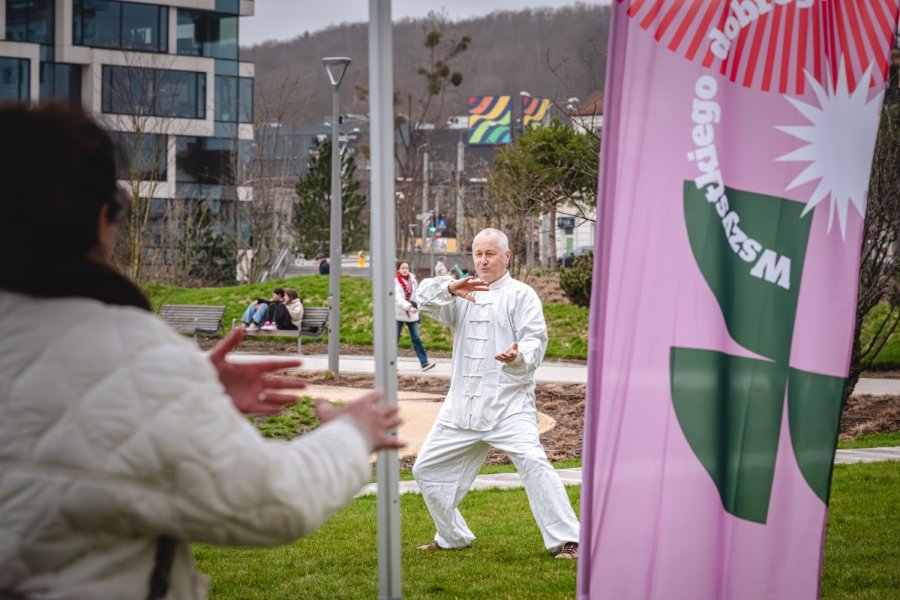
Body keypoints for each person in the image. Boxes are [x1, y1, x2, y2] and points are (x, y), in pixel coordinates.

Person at [0, 103, 405, 599]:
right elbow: (270, 502)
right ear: (103, 217)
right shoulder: (131, 356)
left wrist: (185, 386)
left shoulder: (136, 364)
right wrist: (351, 434)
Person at [413, 228, 580, 559]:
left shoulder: (521, 295)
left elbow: (535, 340)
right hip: (461, 408)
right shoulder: (460, 293)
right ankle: (452, 536)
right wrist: (449, 288)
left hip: (509, 406)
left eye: (490, 253)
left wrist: (516, 356)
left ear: (507, 256)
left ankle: (569, 539)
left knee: (534, 462)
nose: (483, 260)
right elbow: (422, 301)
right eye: (478, 253)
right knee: (425, 469)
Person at [395, 260, 436, 372]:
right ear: (398, 269)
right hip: (398, 314)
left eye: (406, 268)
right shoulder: (395, 282)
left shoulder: (413, 281)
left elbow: (416, 295)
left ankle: (424, 363)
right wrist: (408, 307)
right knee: (394, 340)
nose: (405, 270)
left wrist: (419, 307)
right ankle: (391, 364)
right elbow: (398, 298)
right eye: (402, 268)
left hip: (412, 314)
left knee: (416, 338)